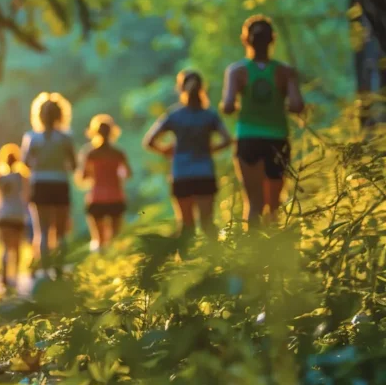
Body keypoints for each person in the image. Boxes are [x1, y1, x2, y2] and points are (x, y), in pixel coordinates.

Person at [221, 15, 305, 225]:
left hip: (248, 140)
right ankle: (274, 253)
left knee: (254, 204)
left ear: (246, 40)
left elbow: (228, 106)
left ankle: (252, 255)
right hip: (277, 139)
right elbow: (297, 105)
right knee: (273, 206)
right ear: (272, 39)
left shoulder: (237, 71)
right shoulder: (285, 71)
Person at [144, 70, 232, 237]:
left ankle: (185, 262)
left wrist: (165, 150)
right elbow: (227, 139)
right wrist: (211, 149)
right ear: (202, 88)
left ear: (180, 88)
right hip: (204, 173)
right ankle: (216, 260)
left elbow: (149, 141)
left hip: (181, 174)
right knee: (207, 224)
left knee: (186, 226)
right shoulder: (209, 115)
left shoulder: (174, 115)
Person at [22, 92, 76, 277]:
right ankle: (59, 268)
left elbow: (26, 163)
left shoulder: (32, 138)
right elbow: (74, 164)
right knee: (60, 231)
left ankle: (45, 270)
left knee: (42, 230)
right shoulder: (66, 137)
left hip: (40, 184)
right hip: (60, 183)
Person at [78, 114, 131, 250]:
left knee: (99, 239)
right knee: (115, 237)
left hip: (97, 198)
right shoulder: (118, 153)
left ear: (95, 132)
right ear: (112, 132)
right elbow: (128, 174)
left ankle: (100, 264)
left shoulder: (90, 153)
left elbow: (82, 177)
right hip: (116, 197)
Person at [0, 143, 29, 288]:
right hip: (18, 214)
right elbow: (27, 195)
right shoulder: (22, 177)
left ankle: (4, 275)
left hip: (4, 214)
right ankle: (15, 275)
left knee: (6, 246)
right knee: (17, 247)